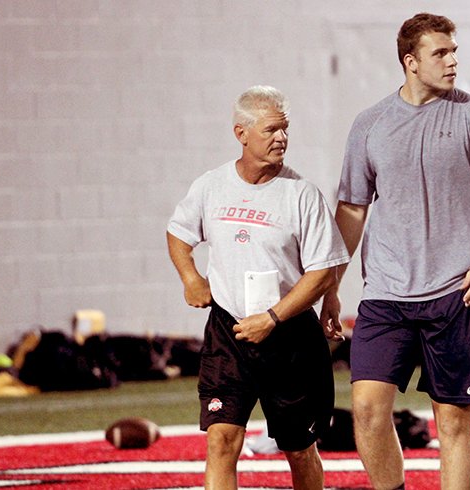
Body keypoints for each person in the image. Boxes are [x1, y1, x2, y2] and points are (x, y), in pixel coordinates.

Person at [319, 13, 470, 490]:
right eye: (441, 53)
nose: (453, 61)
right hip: (386, 293)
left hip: (459, 294)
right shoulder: (369, 124)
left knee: (453, 422)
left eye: (454, 51)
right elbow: (351, 209)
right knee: (367, 410)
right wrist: (332, 287)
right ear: (411, 62)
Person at [167, 85, 349, 490]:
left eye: (285, 129)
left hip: (290, 338)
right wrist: (191, 277)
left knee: (299, 448)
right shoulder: (211, 185)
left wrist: (272, 318)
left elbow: (321, 272)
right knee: (221, 441)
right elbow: (178, 233)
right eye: (270, 130)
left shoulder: (302, 194)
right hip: (229, 333)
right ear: (241, 132)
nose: (281, 138)